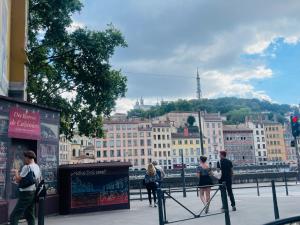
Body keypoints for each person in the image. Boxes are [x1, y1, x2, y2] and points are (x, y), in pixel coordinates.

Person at [10, 150, 41, 225]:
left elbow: (17, 180)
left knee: (14, 215)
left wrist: (16, 172)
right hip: (33, 192)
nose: (24, 159)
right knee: (30, 215)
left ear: (28, 158)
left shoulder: (27, 167)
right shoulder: (37, 166)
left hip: (25, 193)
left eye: (25, 158)